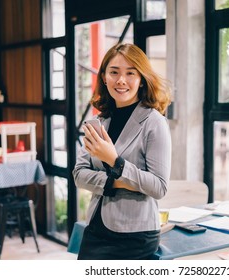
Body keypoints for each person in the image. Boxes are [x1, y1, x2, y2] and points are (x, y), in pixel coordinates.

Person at [73, 43, 172, 260]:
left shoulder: (154, 122)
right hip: (95, 228)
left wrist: (115, 162)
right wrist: (112, 182)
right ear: (104, 77)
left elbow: (159, 187)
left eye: (130, 73)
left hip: (134, 236)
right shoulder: (100, 121)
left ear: (142, 79)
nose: (121, 80)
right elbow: (79, 175)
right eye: (114, 72)